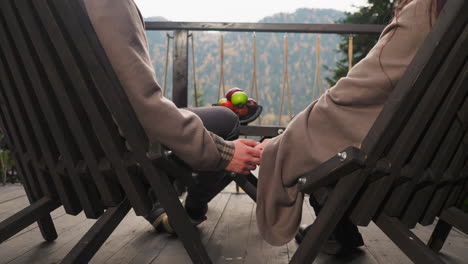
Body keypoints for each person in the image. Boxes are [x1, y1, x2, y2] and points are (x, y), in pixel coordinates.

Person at [255, 0, 448, 254]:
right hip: (440, 167)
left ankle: (332, 227)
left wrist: (282, 143)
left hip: (397, 177)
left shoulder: (426, 12)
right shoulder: (450, 20)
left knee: (330, 162)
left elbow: (353, 93)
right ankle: (336, 229)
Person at [81, 0, 261, 231]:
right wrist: (222, 152)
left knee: (215, 121)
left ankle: (165, 203)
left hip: (62, 148)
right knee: (226, 120)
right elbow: (143, 105)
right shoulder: (106, 4)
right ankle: (190, 211)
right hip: (109, 147)